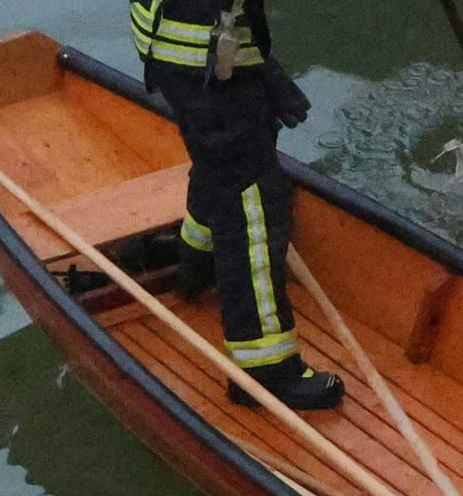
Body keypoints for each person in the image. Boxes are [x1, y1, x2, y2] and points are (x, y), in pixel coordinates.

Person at [131, 0, 344, 410]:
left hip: (179, 39)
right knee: (251, 194)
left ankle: (196, 261)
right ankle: (265, 368)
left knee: (219, 161)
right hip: (202, 47)